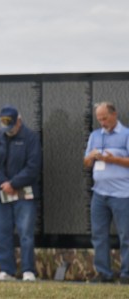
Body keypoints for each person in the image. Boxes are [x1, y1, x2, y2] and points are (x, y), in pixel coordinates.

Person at [0, 105, 42, 281]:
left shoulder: (31, 138)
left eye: (12, 126)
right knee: (2, 233)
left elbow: (33, 166)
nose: (8, 131)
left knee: (25, 233)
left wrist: (13, 183)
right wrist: (3, 183)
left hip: (24, 193)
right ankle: (7, 270)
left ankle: (28, 271)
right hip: (1, 194)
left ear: (19, 121)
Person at [83, 102, 129, 284]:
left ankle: (126, 274)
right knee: (99, 234)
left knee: (126, 235)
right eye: (99, 119)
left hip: (122, 194)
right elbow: (86, 162)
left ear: (114, 114)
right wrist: (91, 157)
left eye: (105, 118)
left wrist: (112, 159)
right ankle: (104, 273)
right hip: (99, 194)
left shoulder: (126, 135)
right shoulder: (95, 136)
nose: (102, 122)